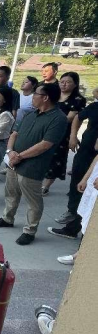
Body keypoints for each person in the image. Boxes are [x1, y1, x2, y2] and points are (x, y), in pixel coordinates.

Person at [0, 83, 68, 246]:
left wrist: (20, 156)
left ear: (45, 97)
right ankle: (7, 218)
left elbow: (45, 145)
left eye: (35, 94)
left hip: (33, 166)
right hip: (14, 162)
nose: (32, 96)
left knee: (33, 201)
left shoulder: (58, 118)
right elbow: (14, 133)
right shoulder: (31, 114)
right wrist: (10, 151)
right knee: (11, 192)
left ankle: (29, 231)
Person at [48, 99, 98, 239]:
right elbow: (78, 117)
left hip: (95, 158)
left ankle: (76, 229)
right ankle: (73, 216)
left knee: (90, 194)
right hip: (85, 153)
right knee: (78, 186)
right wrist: (73, 136)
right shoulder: (95, 106)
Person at [42, 72, 87, 196]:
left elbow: (70, 118)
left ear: (75, 84)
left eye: (68, 82)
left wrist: (73, 136)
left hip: (62, 133)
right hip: (44, 129)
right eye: (62, 82)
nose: (64, 84)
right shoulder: (53, 95)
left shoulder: (78, 100)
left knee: (56, 159)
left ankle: (46, 186)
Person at [54, 152, 98, 265]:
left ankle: (83, 259)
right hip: (94, 182)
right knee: (88, 220)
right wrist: (85, 178)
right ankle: (81, 255)